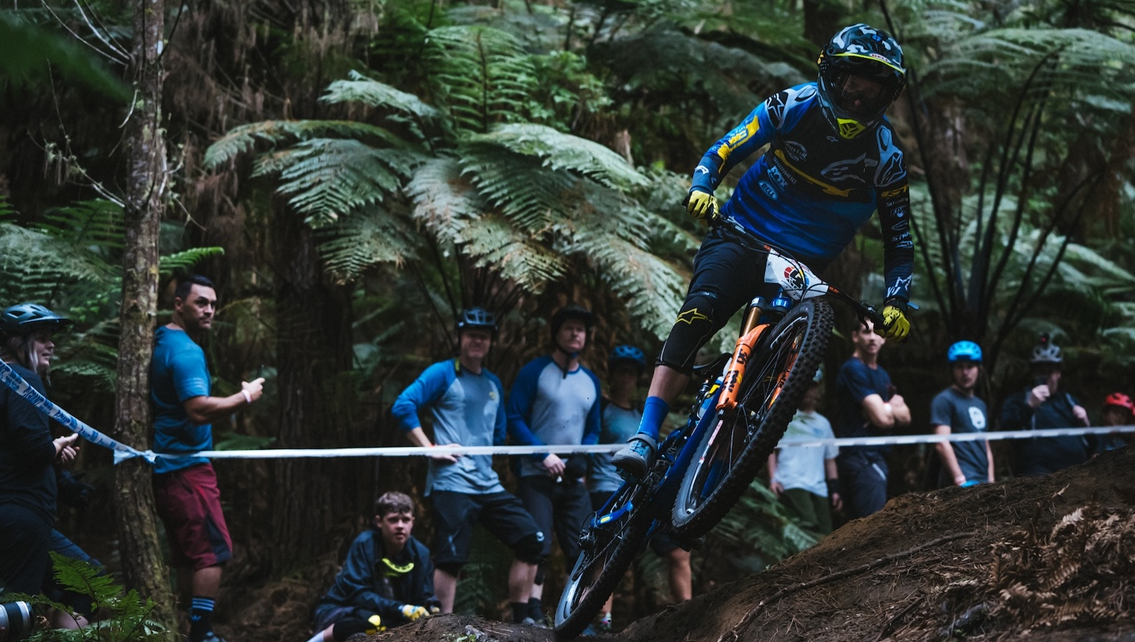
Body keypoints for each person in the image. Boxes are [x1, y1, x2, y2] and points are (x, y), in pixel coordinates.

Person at [614, 23, 914, 478]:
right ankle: (645, 434)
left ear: (888, 96)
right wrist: (702, 186)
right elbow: (722, 151)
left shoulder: (888, 157)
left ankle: (710, 480)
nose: (858, 100)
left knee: (770, 381)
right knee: (699, 314)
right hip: (741, 232)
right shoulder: (792, 106)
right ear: (831, 75)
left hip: (804, 265)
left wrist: (897, 300)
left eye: (872, 93)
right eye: (852, 85)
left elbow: (899, 239)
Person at [391, 307, 543, 624]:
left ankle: (523, 618)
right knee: (451, 557)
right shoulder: (442, 373)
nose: (477, 341)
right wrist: (429, 449)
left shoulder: (493, 383)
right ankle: (440, 625)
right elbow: (403, 405)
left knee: (532, 539)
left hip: (487, 483)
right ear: (460, 338)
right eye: (471, 334)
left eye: (483, 336)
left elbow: (499, 433)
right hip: (451, 483)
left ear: (490, 343)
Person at [150, 275, 265, 642]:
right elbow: (198, 409)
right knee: (213, 552)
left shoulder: (161, 339)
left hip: (168, 467)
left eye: (213, 304)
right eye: (201, 302)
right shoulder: (184, 350)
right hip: (185, 468)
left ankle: (187, 627)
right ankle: (201, 632)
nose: (210, 310)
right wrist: (244, 397)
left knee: (188, 555)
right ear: (178, 304)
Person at [0, 302, 98, 628]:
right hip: (20, 518)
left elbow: (15, 452)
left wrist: (60, 474)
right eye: (42, 337)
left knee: (88, 580)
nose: (51, 345)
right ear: (17, 342)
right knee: (18, 612)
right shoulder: (23, 381)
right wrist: (53, 446)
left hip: (26, 516)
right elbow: (31, 451)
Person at [507, 304, 601, 625]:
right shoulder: (534, 372)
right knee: (536, 544)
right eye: (569, 328)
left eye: (581, 329)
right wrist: (541, 453)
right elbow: (514, 417)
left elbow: (594, 429)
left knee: (584, 549)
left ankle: (577, 616)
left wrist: (579, 456)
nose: (576, 334)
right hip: (536, 474)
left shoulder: (590, 382)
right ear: (557, 334)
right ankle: (524, 614)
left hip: (573, 478)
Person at [588, 345, 691, 632]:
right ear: (612, 376)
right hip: (608, 489)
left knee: (678, 551)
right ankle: (600, 618)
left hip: (644, 492)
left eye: (632, 373)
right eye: (622, 371)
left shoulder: (643, 416)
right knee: (606, 554)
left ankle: (689, 611)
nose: (627, 378)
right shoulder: (602, 411)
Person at [308, 492, 440, 642]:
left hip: (390, 616)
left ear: (413, 522)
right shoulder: (365, 544)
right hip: (345, 610)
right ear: (379, 522)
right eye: (393, 520)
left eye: (405, 520)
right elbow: (357, 593)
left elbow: (424, 596)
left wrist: (430, 607)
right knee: (371, 622)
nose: (400, 526)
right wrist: (400, 609)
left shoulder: (421, 554)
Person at [834, 319, 910, 518]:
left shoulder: (883, 374)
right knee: (871, 522)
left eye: (878, 332)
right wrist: (889, 407)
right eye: (866, 332)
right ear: (855, 337)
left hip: (878, 456)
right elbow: (883, 420)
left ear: (884, 338)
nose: (872, 337)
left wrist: (884, 408)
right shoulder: (853, 369)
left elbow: (906, 416)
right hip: (861, 458)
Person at [999, 335, 1090, 476]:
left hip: (1075, 472)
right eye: (1041, 371)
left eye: (1050, 371)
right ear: (1034, 373)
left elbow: (1093, 442)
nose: (1046, 376)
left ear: (1058, 373)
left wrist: (1085, 423)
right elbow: (1007, 430)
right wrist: (1030, 406)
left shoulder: (1070, 401)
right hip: (1037, 474)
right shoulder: (1018, 399)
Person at [766, 375, 841, 535]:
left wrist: (835, 489)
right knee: (808, 527)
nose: (809, 391)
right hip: (791, 481)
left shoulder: (823, 423)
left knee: (826, 533)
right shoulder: (785, 419)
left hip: (819, 486)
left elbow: (830, 459)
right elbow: (772, 450)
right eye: (805, 386)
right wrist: (773, 479)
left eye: (812, 386)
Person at [930, 341, 993, 488]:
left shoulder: (980, 403)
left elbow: (986, 443)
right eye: (960, 367)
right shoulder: (944, 400)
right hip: (961, 482)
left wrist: (991, 481)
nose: (965, 373)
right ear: (952, 370)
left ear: (979, 369)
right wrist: (960, 480)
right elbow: (941, 443)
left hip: (983, 481)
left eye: (970, 367)